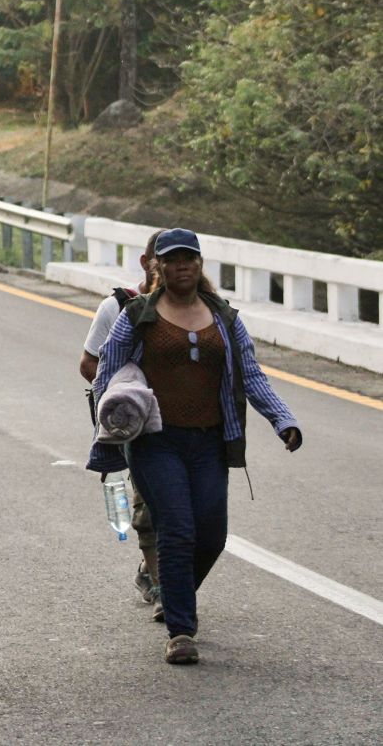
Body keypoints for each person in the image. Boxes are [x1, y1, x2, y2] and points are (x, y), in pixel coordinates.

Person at [89, 228, 302, 665]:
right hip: (155, 441)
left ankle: (172, 589)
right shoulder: (137, 315)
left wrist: (283, 420)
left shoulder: (224, 317)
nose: (181, 265)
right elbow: (104, 371)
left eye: (189, 258)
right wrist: (110, 424)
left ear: (199, 264)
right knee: (179, 529)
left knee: (212, 535)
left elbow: (252, 376)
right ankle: (181, 630)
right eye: (172, 259)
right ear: (158, 267)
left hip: (209, 441)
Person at [79, 231, 162, 619]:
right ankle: (164, 587)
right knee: (149, 504)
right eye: (162, 261)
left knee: (191, 512)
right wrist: (126, 396)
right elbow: (89, 363)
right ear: (146, 262)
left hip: (187, 425)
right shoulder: (118, 307)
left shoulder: (200, 307)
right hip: (140, 426)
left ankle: (155, 571)